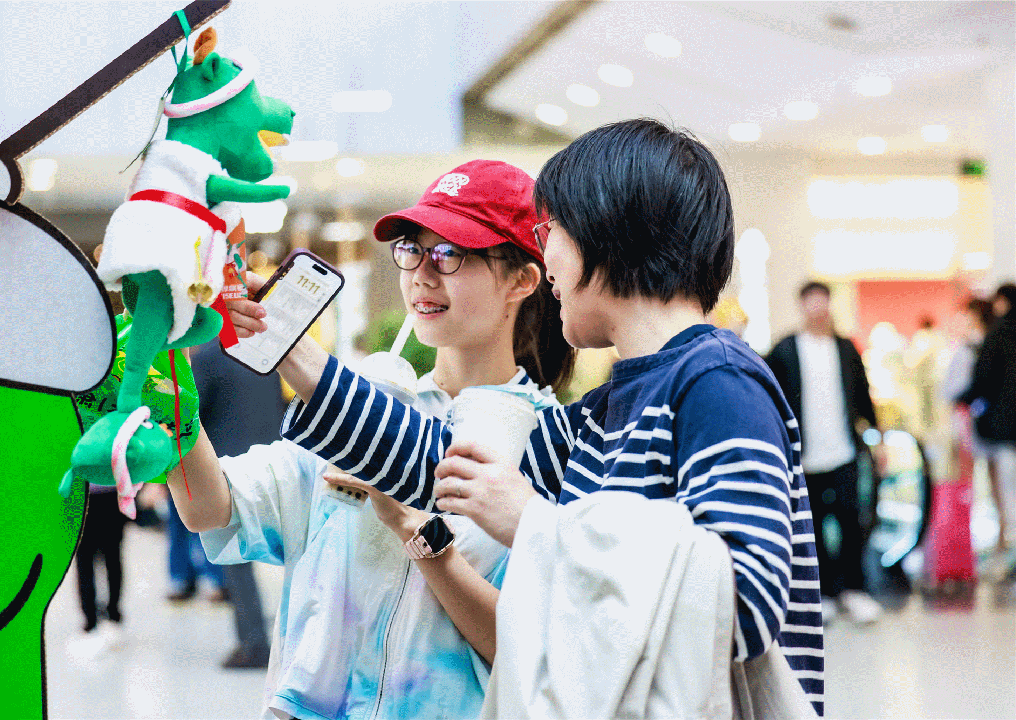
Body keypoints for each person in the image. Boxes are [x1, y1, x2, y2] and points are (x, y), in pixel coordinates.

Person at [265, 120, 825, 716]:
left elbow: (743, 605)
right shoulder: (607, 409)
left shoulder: (718, 384)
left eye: (550, 230)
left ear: (608, 231)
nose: (544, 255)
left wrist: (535, 523)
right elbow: (444, 465)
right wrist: (286, 342)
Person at [167, 160, 575, 719]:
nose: (422, 275)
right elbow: (210, 509)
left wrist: (419, 534)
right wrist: (170, 398)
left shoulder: (549, 444)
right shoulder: (365, 405)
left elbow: (533, 654)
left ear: (522, 280)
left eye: (450, 254)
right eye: (412, 250)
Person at [765, 280, 882, 626]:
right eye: (812, 302)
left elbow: (863, 397)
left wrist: (878, 440)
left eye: (823, 302)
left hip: (844, 452)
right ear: (802, 306)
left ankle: (854, 590)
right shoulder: (786, 349)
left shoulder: (845, 348)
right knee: (812, 527)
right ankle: (824, 593)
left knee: (851, 521)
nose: (818, 309)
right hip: (805, 457)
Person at [190, 339, 287, 669]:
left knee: (238, 561)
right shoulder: (262, 353)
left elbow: (191, 415)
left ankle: (253, 642)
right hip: (274, 463)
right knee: (294, 553)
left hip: (230, 469)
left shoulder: (207, 357)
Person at [958, 283, 1016, 556]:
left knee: (1007, 491)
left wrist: (963, 399)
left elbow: (985, 379)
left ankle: (1009, 547)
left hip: (1004, 430)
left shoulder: (998, 334)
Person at [69, 484, 127, 657]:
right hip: (84, 493)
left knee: (110, 557)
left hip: (109, 493)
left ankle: (110, 615)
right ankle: (92, 619)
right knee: (87, 560)